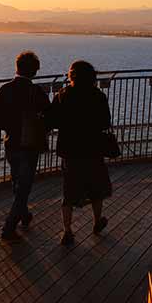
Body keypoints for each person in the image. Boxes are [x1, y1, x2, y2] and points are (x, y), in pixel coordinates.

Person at [47, 60, 112, 246]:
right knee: (96, 188)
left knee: (69, 191)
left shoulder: (63, 95)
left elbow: (53, 120)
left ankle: (67, 231)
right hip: (93, 148)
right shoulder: (98, 96)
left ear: (72, 76)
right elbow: (105, 122)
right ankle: (97, 221)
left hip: (70, 149)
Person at [0, 51, 50, 241]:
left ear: (17, 67)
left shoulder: (5, 88)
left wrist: (9, 127)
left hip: (12, 143)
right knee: (24, 186)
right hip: (30, 145)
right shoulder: (37, 91)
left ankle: (24, 214)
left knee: (17, 181)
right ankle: (9, 228)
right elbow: (49, 116)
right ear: (34, 71)